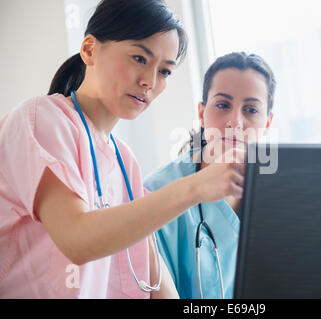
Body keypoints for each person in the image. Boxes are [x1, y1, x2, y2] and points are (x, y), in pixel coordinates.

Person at [0, 0, 245, 299]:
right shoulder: (41, 119)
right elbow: (76, 239)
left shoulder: (124, 161)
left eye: (165, 71)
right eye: (139, 58)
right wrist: (193, 188)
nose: (149, 82)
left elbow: (154, 280)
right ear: (90, 50)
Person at [144, 52, 276, 298]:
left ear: (267, 123)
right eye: (223, 105)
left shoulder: (284, 195)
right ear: (202, 113)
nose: (235, 122)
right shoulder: (155, 192)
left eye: (251, 109)